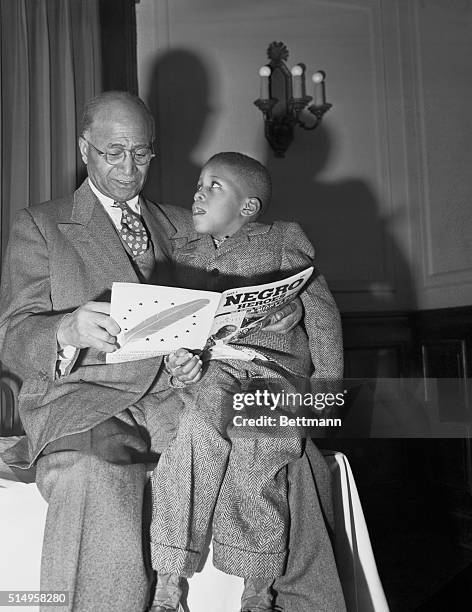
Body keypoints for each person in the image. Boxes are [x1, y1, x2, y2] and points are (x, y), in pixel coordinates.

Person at [0, 91, 345, 612]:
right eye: (113, 151)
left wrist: (274, 317)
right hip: (85, 398)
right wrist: (66, 331)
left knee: (290, 459)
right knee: (98, 475)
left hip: (186, 392)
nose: (128, 166)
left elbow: (277, 285)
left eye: (142, 153)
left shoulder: (190, 221)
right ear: (83, 148)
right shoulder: (41, 225)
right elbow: (14, 332)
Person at [148, 152, 344, 612]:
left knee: (257, 451)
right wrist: (177, 359)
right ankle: (168, 583)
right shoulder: (183, 252)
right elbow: (175, 326)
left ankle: (258, 593)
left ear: (248, 208)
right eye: (199, 182)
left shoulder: (282, 239)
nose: (198, 192)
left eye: (214, 185)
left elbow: (323, 315)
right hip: (215, 368)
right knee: (194, 435)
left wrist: (326, 394)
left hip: (274, 372)